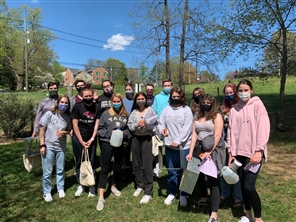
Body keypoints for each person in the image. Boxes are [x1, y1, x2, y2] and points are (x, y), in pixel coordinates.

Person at [227, 79, 270, 222]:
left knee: (249, 185)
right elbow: (231, 133)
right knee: (242, 185)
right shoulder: (234, 110)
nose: (243, 93)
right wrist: (231, 153)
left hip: (253, 154)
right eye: (241, 90)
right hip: (238, 153)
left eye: (246, 90)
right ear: (237, 92)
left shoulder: (257, 105)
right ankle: (248, 214)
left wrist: (259, 150)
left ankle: (258, 218)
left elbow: (263, 128)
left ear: (251, 90)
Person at [186, 94, 225, 222]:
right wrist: (191, 152)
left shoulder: (217, 116)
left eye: (209, 102)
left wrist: (210, 151)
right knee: (199, 178)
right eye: (204, 101)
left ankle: (214, 214)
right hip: (198, 148)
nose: (206, 104)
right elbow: (194, 135)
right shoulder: (197, 116)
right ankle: (203, 199)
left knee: (213, 181)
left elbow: (218, 135)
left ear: (212, 103)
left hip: (211, 150)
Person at [158, 87, 193, 207]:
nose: (176, 99)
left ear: (182, 97)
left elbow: (187, 128)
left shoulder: (186, 110)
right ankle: (172, 192)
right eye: (174, 97)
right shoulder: (167, 109)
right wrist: (162, 130)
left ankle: (184, 194)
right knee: (171, 170)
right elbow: (161, 122)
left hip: (184, 146)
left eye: (178, 97)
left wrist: (178, 140)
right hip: (169, 145)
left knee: (185, 171)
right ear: (170, 97)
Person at [96, 93, 131, 211]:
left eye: (118, 101)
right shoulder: (106, 114)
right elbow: (100, 129)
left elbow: (129, 131)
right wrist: (109, 133)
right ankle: (101, 196)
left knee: (117, 166)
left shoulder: (125, 115)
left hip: (120, 144)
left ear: (121, 102)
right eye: (114, 101)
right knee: (105, 168)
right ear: (112, 102)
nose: (116, 103)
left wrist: (123, 134)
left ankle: (113, 186)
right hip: (107, 143)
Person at [39, 95, 72, 202]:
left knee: (60, 169)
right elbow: (42, 130)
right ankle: (47, 192)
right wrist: (42, 145)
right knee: (47, 171)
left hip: (61, 147)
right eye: (62, 102)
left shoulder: (68, 117)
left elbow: (70, 131)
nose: (64, 105)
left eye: (66, 103)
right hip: (48, 146)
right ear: (58, 103)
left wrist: (65, 133)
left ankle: (60, 188)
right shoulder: (49, 114)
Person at [128, 92, 157, 204]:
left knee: (147, 164)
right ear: (136, 100)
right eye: (138, 99)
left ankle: (148, 191)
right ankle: (139, 185)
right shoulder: (134, 112)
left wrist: (146, 126)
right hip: (135, 139)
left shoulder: (150, 111)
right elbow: (130, 125)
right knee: (136, 163)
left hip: (146, 139)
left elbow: (155, 125)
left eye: (142, 98)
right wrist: (137, 125)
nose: (140, 100)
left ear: (146, 99)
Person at [71, 87, 100, 198]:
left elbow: (96, 125)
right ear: (82, 96)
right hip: (78, 138)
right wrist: (81, 141)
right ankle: (81, 184)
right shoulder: (77, 107)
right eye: (86, 96)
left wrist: (92, 139)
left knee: (91, 162)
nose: (88, 98)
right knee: (79, 161)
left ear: (93, 96)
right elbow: (75, 125)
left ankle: (92, 184)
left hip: (91, 138)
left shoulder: (97, 107)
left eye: (90, 96)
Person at [219, 82, 243, 208]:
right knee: (224, 167)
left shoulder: (240, 106)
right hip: (223, 139)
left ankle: (238, 197)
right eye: (226, 93)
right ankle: (225, 192)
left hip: (237, 139)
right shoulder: (222, 107)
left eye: (231, 92)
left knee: (234, 168)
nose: (228, 95)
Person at [153, 79, 173, 176]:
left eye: (168, 85)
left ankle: (171, 163)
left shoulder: (173, 96)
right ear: (162, 86)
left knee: (170, 144)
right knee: (158, 146)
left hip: (171, 125)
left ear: (171, 86)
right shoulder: (157, 97)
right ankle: (157, 165)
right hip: (160, 125)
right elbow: (154, 111)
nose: (167, 87)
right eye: (165, 85)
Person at [122, 83, 134, 181]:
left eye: (130, 89)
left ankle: (135, 169)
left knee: (134, 151)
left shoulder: (136, 100)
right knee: (125, 151)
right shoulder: (122, 100)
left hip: (134, 129)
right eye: (126, 89)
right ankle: (126, 171)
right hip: (125, 128)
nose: (128, 91)